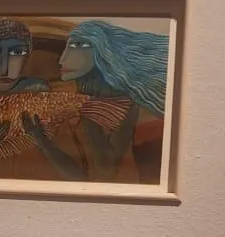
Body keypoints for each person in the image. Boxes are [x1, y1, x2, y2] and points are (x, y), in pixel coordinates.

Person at [0, 18, 85, 179]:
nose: (5, 68)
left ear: (26, 59)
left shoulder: (46, 103)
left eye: (17, 53)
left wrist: (41, 140)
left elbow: (77, 179)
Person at [54, 20, 170, 181]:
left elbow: (106, 171)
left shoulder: (124, 103)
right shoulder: (82, 97)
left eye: (77, 45)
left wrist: (88, 114)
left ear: (101, 49)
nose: (62, 59)